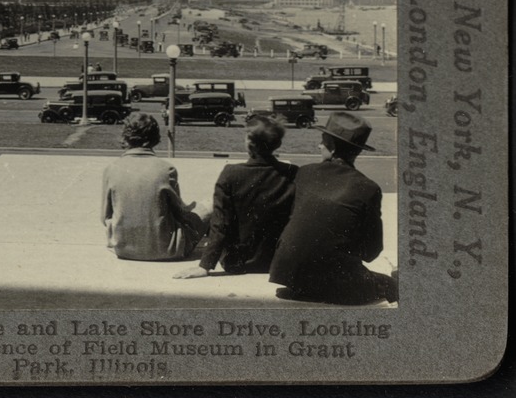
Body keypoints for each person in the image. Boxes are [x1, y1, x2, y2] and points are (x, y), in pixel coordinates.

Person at [269, 112, 396, 304]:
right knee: (392, 284)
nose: (319, 145)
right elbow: (372, 251)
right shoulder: (368, 188)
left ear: (333, 148)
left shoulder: (305, 173)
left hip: (290, 276)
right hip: (334, 281)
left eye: (323, 141)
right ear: (358, 151)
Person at [173, 114, 299, 279]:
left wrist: (205, 265)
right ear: (278, 143)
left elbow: (220, 224)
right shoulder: (292, 173)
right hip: (274, 261)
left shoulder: (231, 174)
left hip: (236, 262)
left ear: (249, 143)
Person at [101, 113, 210, 261]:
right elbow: (180, 214)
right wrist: (194, 209)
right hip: (167, 250)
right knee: (210, 206)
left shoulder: (111, 169)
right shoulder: (166, 169)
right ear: (154, 138)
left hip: (123, 250)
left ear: (126, 137)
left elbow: (105, 216)